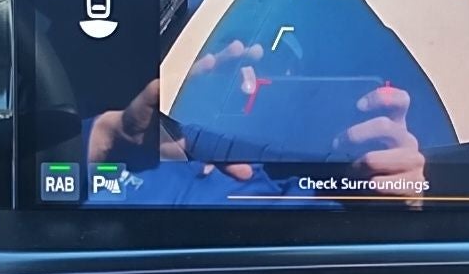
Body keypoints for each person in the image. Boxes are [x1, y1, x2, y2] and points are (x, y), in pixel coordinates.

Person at [86, 40, 426, 205]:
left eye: (275, 71)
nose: (249, 84)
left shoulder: (305, 185)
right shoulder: (146, 142)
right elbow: (61, 180)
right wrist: (106, 134)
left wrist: (403, 199)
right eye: (233, 71)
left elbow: (346, 230)